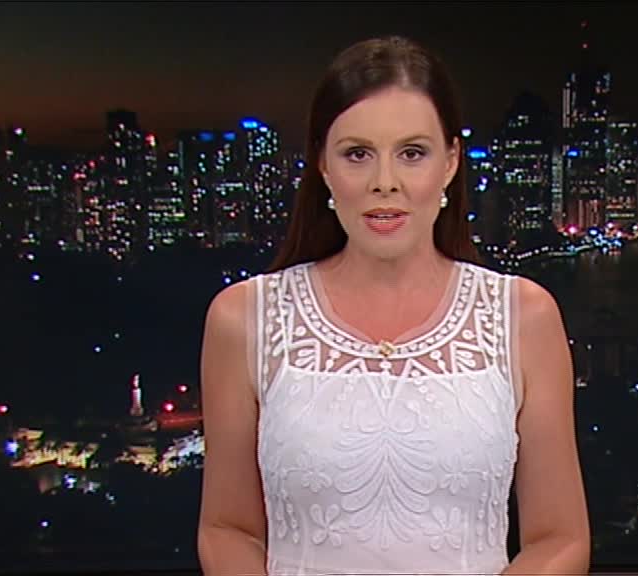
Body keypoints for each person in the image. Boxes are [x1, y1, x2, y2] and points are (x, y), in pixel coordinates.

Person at [197, 35, 589, 575]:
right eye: (358, 154)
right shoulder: (244, 319)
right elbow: (227, 528)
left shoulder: (523, 316)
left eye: (412, 153)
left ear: (450, 162)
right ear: (323, 165)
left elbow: (560, 537)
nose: (385, 183)